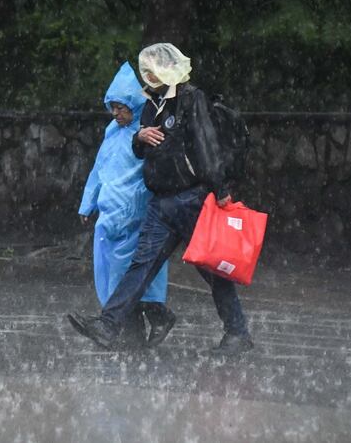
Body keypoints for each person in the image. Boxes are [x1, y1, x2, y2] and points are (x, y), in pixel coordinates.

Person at [68, 43, 254, 356]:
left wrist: (220, 188)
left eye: (152, 69)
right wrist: (139, 139)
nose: (147, 75)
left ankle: (237, 332)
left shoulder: (191, 99)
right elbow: (142, 149)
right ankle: (109, 324)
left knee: (212, 271)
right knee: (141, 265)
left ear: (168, 69)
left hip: (192, 199)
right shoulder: (150, 104)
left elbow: (207, 144)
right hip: (161, 203)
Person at [72, 62, 175, 348]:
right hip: (109, 216)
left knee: (130, 276)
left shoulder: (146, 132)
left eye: (121, 107)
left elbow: (154, 171)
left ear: (133, 103)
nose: (116, 113)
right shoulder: (111, 133)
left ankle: (126, 329)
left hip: (134, 216)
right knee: (113, 273)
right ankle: (129, 334)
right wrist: (87, 203)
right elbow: (99, 169)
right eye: (112, 107)